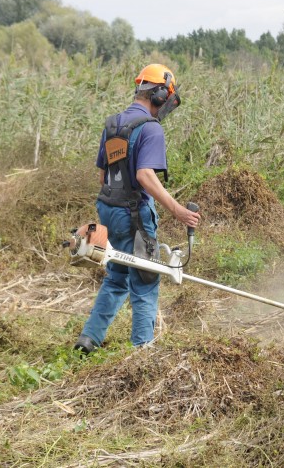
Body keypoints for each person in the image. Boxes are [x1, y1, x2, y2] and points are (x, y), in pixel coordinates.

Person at [74, 64, 200, 353]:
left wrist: (112, 216)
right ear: (157, 95)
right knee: (144, 278)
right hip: (134, 216)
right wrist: (178, 210)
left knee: (118, 275)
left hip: (109, 209)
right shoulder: (150, 129)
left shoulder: (113, 124)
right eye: (166, 97)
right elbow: (145, 175)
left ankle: (89, 339)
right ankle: (142, 352)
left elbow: (103, 176)